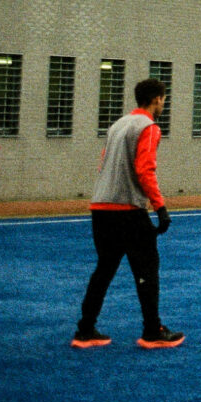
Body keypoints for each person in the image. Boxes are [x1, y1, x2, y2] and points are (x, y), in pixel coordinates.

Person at [72, 77, 183, 350]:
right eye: (164, 99)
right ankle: (152, 330)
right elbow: (145, 169)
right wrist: (160, 207)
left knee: (104, 269)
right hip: (128, 209)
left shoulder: (117, 125)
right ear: (157, 99)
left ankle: (85, 329)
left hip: (101, 207)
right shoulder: (149, 127)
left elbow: (103, 163)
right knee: (147, 269)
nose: (164, 104)